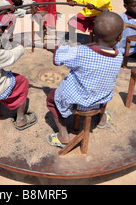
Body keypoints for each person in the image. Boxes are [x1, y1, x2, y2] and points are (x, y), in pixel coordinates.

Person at [46, 12, 124, 147]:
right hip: (100, 100)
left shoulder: (80, 51)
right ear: (119, 37)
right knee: (104, 86)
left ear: (92, 33)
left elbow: (58, 56)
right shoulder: (119, 56)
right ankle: (101, 119)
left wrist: (69, 47)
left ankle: (63, 136)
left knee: (51, 99)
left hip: (77, 102)